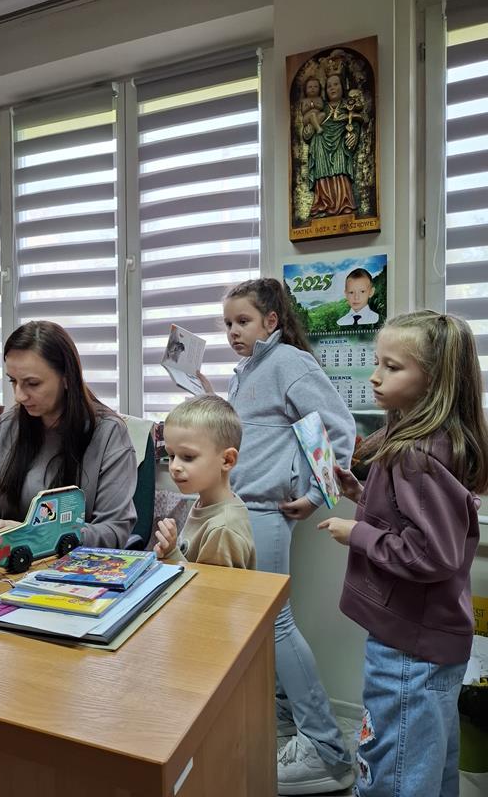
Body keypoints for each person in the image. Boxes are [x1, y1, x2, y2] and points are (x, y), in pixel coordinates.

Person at [319, 311, 488, 797]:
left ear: (432, 381)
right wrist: (363, 496)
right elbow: (414, 519)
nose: (375, 376)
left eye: (392, 367)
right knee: (429, 769)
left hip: (409, 651)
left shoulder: (415, 455)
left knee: (391, 776)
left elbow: (431, 554)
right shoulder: (435, 442)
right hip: (429, 642)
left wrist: (358, 533)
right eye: (377, 362)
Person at [199, 278, 356, 795]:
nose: (232, 331)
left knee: (276, 624)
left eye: (242, 321)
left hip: (267, 510)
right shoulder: (248, 371)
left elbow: (335, 428)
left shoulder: (288, 361)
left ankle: (329, 750)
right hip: (244, 507)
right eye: (227, 323)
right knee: (261, 626)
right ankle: (289, 720)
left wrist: (318, 495)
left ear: (271, 321)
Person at [0, 321, 137, 547]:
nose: (19, 396)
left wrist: (32, 533)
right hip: (4, 562)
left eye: (32, 383)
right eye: (13, 381)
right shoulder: (9, 424)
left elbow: (113, 532)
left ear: (66, 378)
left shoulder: (109, 433)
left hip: (72, 566)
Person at [154, 395, 255, 569]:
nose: (175, 466)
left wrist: (172, 554)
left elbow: (210, 586)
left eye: (188, 457)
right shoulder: (205, 504)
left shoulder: (223, 528)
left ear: (227, 460)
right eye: (171, 455)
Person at [304, 50, 363, 217]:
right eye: (329, 86)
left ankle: (344, 202)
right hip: (321, 143)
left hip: (340, 143)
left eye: (336, 84)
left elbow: (354, 122)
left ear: (342, 86)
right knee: (321, 165)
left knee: (339, 165)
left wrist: (353, 135)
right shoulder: (321, 108)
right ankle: (322, 204)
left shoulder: (348, 106)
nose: (332, 88)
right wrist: (309, 130)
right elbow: (308, 130)